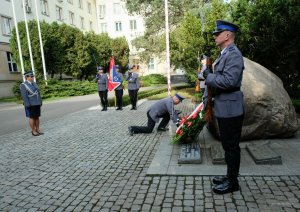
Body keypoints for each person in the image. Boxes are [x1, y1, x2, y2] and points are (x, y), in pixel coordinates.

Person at [202, 20, 245, 194]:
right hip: (225, 107)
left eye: (217, 33)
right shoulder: (225, 53)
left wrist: (209, 76)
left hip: (230, 109)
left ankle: (233, 183)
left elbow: (229, 81)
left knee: (231, 146)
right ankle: (229, 177)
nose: (214, 36)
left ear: (227, 35)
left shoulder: (233, 54)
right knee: (228, 146)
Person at [19, 71, 43, 136]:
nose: (32, 77)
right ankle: (33, 131)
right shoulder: (23, 85)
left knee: (37, 117)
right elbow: (24, 96)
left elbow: (38, 93)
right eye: (31, 76)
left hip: (37, 103)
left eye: (33, 76)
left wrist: (40, 101)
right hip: (30, 104)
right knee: (32, 117)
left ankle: (38, 129)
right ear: (27, 77)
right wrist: (27, 104)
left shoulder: (34, 83)